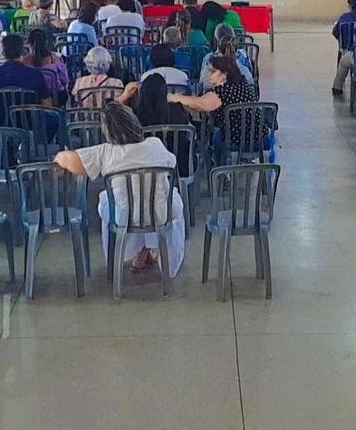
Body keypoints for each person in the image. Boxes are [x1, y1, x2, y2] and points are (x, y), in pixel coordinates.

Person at [55, 102, 184, 275]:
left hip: (123, 217)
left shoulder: (105, 152)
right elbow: (172, 162)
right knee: (167, 199)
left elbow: (72, 161)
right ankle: (162, 256)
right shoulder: (155, 144)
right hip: (161, 214)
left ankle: (124, 257)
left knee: (107, 201)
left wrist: (59, 157)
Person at [171, 55, 269, 163]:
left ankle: (219, 167)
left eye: (213, 71)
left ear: (224, 74)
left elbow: (199, 104)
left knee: (216, 135)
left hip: (236, 141)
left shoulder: (223, 92)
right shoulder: (243, 85)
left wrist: (173, 97)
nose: (210, 75)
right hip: (260, 138)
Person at [0, 33, 52, 106]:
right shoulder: (36, 75)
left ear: (3, 52)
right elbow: (47, 104)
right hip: (30, 117)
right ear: (22, 51)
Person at [25, 28, 70, 98]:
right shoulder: (55, 58)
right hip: (57, 96)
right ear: (46, 42)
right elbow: (65, 80)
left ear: (29, 43)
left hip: (33, 97)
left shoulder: (25, 61)